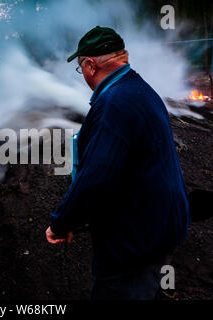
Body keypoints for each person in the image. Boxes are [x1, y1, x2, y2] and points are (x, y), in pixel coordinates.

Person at [45, 26, 190, 300]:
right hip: (156, 227)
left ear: (90, 66)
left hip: (134, 238)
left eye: (80, 68)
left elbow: (96, 177)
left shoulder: (115, 102)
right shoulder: (140, 89)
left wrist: (62, 223)